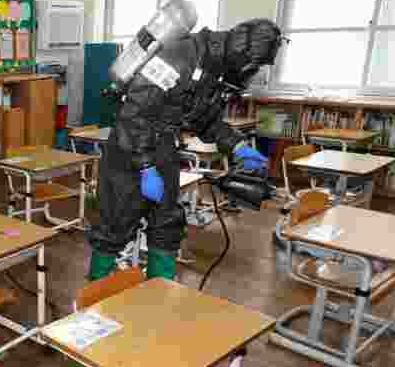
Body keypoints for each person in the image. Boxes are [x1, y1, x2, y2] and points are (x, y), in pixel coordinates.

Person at [88, 15, 283, 282]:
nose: (252, 72)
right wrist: (145, 167)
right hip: (128, 147)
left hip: (164, 146)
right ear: (241, 52)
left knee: (167, 223)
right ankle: (95, 298)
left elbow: (203, 118)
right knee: (116, 224)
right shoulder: (178, 55)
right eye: (254, 65)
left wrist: (236, 144)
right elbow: (134, 115)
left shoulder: (214, 68)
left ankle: (160, 292)